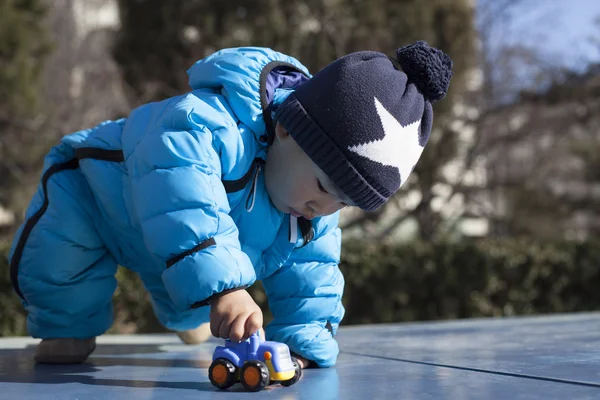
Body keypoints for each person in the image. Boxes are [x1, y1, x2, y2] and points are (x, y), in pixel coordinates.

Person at [8, 41, 452, 367]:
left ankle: (185, 314)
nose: (325, 207)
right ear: (287, 131)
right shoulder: (205, 125)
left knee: (191, 288)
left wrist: (304, 337)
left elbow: (312, 274)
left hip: (167, 236)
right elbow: (181, 190)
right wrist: (225, 289)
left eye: (344, 201)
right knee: (61, 261)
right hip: (94, 191)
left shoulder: (311, 206)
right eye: (324, 185)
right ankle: (67, 327)